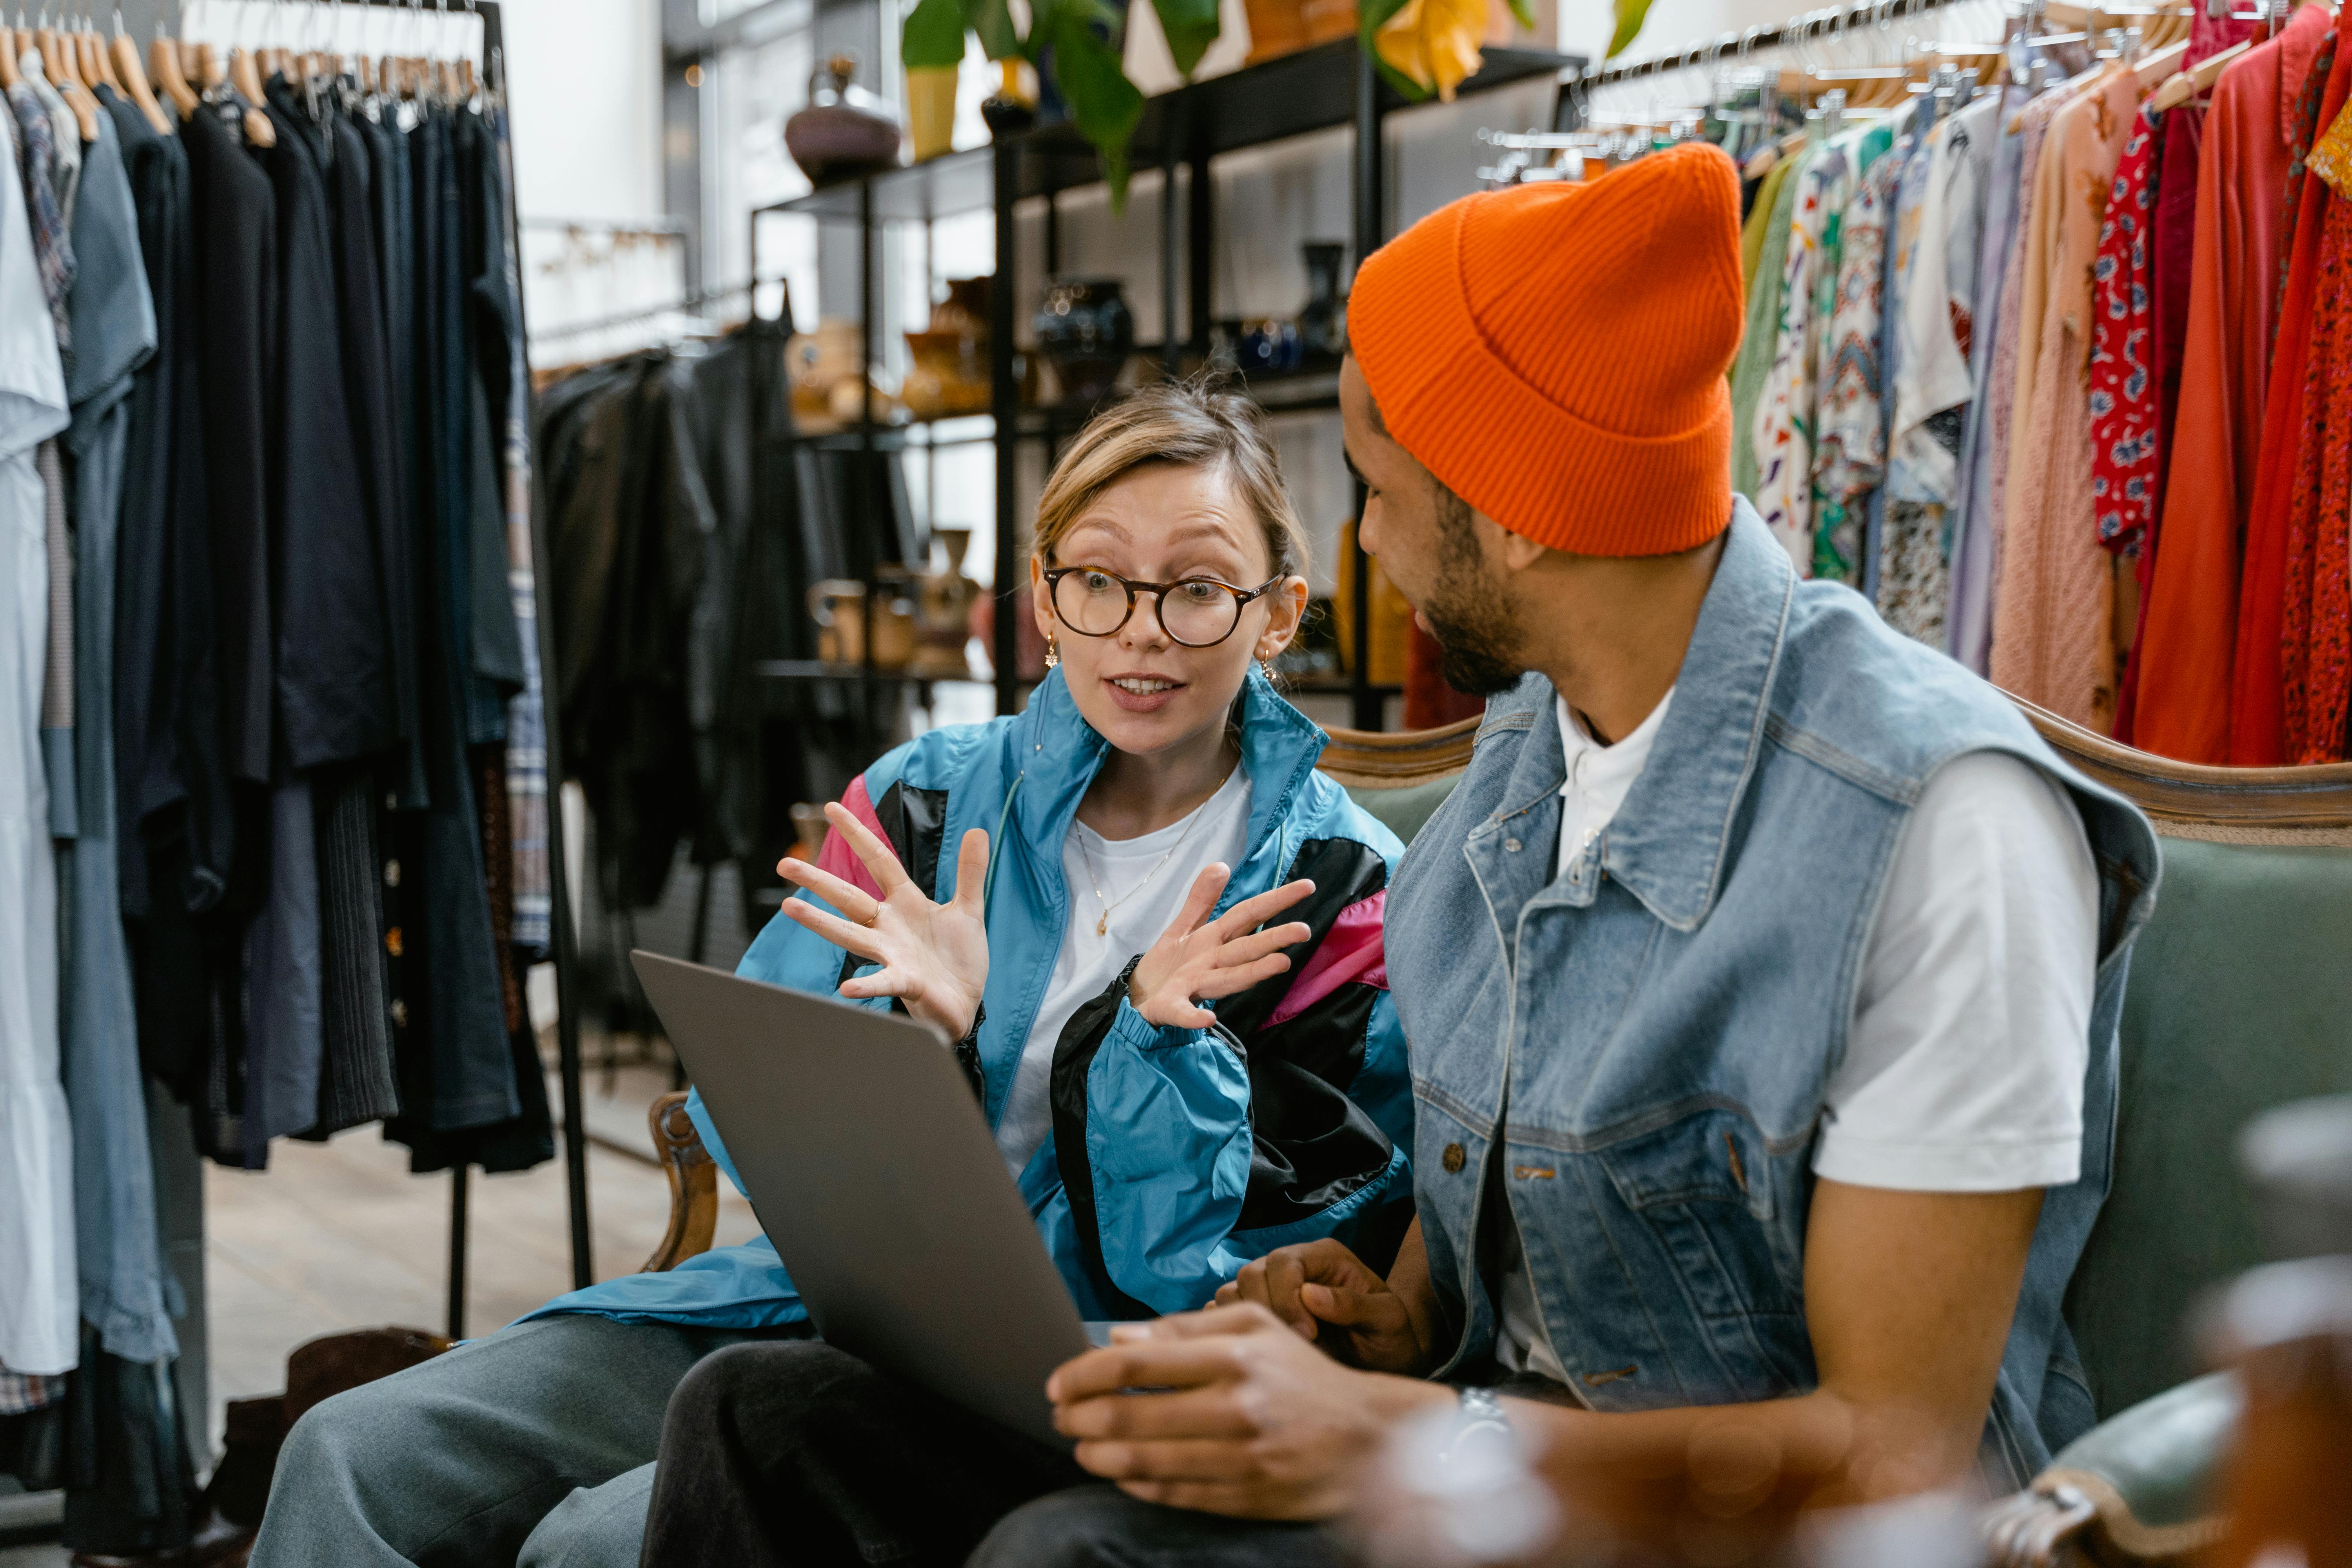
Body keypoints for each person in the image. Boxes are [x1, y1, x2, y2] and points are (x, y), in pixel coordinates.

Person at [637, 142, 2163, 1566]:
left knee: (1066, 1551)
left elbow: (1893, 1458)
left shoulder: (1940, 824)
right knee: (761, 1422)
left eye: (1375, 487)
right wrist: (1376, 1313)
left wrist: (1394, 1430)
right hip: (1467, 1460)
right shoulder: (1522, 763)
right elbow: (1509, 1265)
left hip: (1701, 1528)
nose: (1358, 542)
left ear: (1512, 515)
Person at [245, 383, 1416, 1568]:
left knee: (593, 1548)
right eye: (1098, 580)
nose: (1142, 629)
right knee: (349, 1454)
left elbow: (1262, 1280)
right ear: (1046, 600)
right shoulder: (924, 798)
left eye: (1200, 589)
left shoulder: (1348, 894)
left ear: (1278, 614)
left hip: (1082, 1383)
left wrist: (1152, 1052)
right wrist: (923, 1040)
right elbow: (754, 1124)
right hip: (815, 1310)